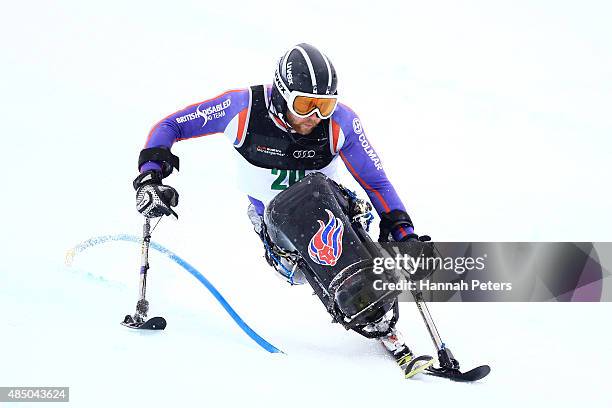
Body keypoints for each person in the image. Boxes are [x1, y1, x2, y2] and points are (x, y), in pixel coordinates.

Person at [133, 43, 434, 377]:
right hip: (276, 228)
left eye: (324, 106)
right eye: (305, 104)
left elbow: (375, 181)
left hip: (338, 211)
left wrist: (403, 232)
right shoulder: (242, 109)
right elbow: (171, 126)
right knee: (303, 201)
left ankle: (374, 303)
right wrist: (151, 175)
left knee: (323, 199)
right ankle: (362, 298)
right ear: (280, 93)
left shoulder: (341, 123)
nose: (314, 117)